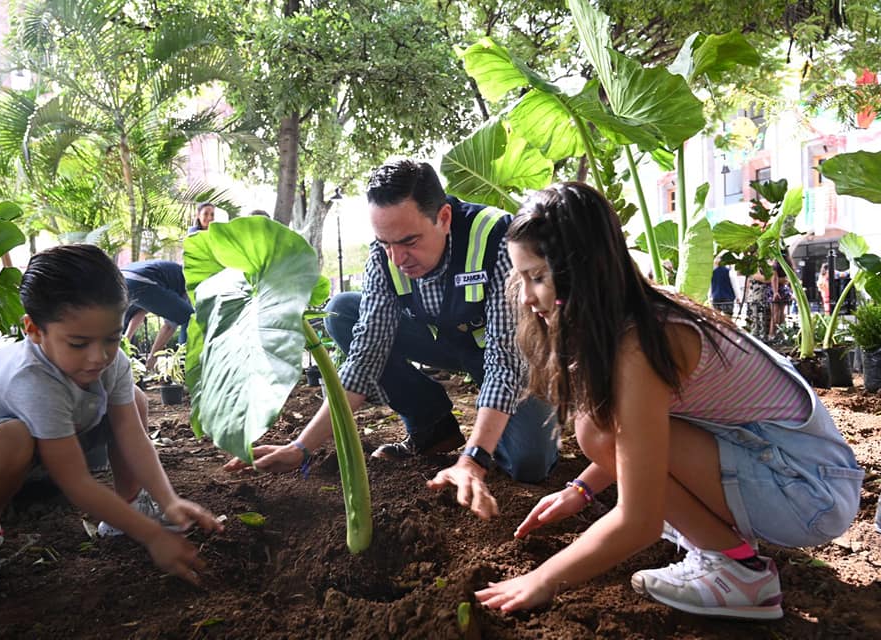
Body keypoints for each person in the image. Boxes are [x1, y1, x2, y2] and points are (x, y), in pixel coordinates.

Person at [474, 183, 862, 620]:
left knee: (595, 429)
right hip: (797, 474)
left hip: (809, 491)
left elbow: (638, 520)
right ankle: (730, 557)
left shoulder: (641, 343)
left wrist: (541, 579)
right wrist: (582, 490)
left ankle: (737, 571)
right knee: (597, 428)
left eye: (538, 277)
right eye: (520, 277)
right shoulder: (634, 318)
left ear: (580, 271)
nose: (526, 297)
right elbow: (637, 436)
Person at [225, 159, 558, 511]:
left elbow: (506, 362)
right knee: (343, 313)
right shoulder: (385, 257)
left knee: (529, 463)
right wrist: (301, 447)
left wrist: (474, 458)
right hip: (439, 342)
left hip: (503, 350)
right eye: (385, 243)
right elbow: (367, 355)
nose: (398, 258)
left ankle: (490, 442)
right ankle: (431, 427)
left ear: (443, 218)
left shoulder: (495, 238)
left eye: (409, 241)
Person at [0, 244, 222, 602]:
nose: (99, 356)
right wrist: (153, 536)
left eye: (112, 338)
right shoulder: (30, 376)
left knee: (134, 401)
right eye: (78, 343)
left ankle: (130, 502)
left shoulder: (112, 363)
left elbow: (132, 435)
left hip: (26, 459)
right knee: (11, 437)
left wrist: (168, 500)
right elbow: (74, 480)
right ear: (34, 330)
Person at [121, 260, 193, 370]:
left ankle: (120, 355)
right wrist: (153, 357)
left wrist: (126, 339)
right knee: (189, 318)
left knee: (127, 321)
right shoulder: (188, 282)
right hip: (143, 280)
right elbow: (169, 326)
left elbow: (141, 311)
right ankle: (186, 364)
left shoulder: (171, 273)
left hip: (122, 280)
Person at [768, 254, 793, 340]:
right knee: (782, 314)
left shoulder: (776, 263)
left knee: (775, 314)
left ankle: (772, 335)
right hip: (784, 289)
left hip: (777, 290)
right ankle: (781, 335)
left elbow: (774, 277)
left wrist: (775, 292)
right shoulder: (788, 262)